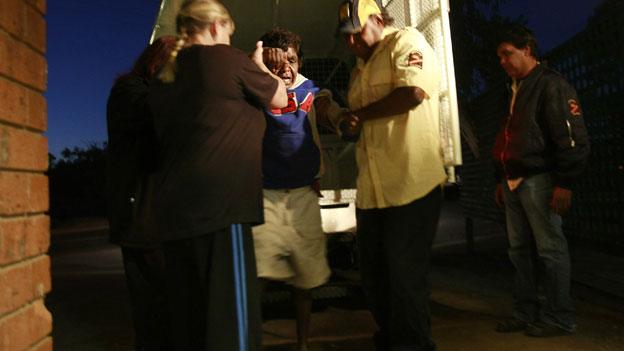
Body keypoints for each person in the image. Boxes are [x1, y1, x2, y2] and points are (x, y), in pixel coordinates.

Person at [147, 1, 287, 350]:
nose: (228, 38)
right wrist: (258, 67)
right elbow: (280, 98)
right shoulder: (226, 59)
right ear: (214, 27)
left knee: (191, 324)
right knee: (232, 327)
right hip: (221, 213)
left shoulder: (166, 74)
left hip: (176, 216)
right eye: (227, 31)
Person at [333, 1, 447, 350]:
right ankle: (391, 337)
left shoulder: (406, 42)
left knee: (405, 277)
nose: (352, 43)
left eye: (357, 33)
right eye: (346, 37)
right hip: (372, 190)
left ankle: (414, 344)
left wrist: (361, 115)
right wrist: (348, 124)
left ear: (378, 20)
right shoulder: (357, 71)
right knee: (373, 276)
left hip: (410, 184)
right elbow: (359, 126)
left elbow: (412, 93)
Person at [492, 25, 590, 337]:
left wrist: (566, 182)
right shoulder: (514, 89)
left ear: (528, 50)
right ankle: (526, 311)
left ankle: (560, 316)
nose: (503, 61)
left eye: (507, 54)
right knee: (518, 249)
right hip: (515, 180)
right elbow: (506, 138)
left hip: (539, 178)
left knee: (549, 248)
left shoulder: (551, 85)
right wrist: (501, 177)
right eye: (500, 56)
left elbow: (572, 136)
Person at [252, 27, 332, 351]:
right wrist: (259, 64)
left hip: (303, 194)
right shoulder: (255, 89)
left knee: (306, 281)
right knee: (258, 275)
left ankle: (303, 345)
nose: (286, 68)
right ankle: (250, 340)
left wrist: (342, 119)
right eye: (278, 60)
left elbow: (328, 108)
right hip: (265, 194)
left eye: (293, 60)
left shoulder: (311, 91)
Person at [106, 36, 177, 351]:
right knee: (152, 312)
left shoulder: (156, 95)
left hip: (162, 219)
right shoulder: (130, 91)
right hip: (142, 220)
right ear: (158, 61)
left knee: (170, 310)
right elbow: (155, 116)